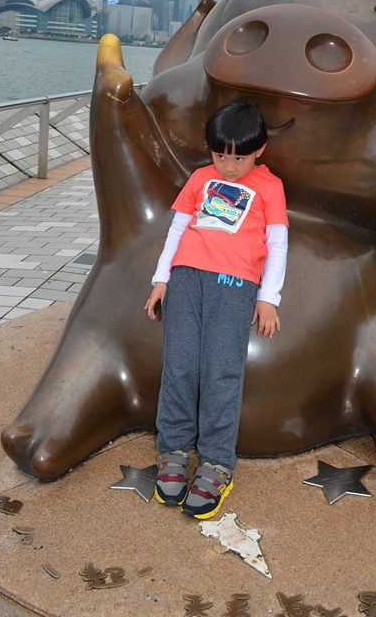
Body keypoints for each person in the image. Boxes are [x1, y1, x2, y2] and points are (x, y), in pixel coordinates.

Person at [144, 99, 288, 519]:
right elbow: (177, 229)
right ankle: (172, 449)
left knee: (221, 372)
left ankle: (216, 463)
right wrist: (161, 279)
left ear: (259, 150)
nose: (227, 165)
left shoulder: (270, 187)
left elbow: (277, 244)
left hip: (234, 286)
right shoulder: (199, 178)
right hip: (186, 279)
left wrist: (268, 297)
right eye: (219, 153)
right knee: (180, 365)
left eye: (239, 156)